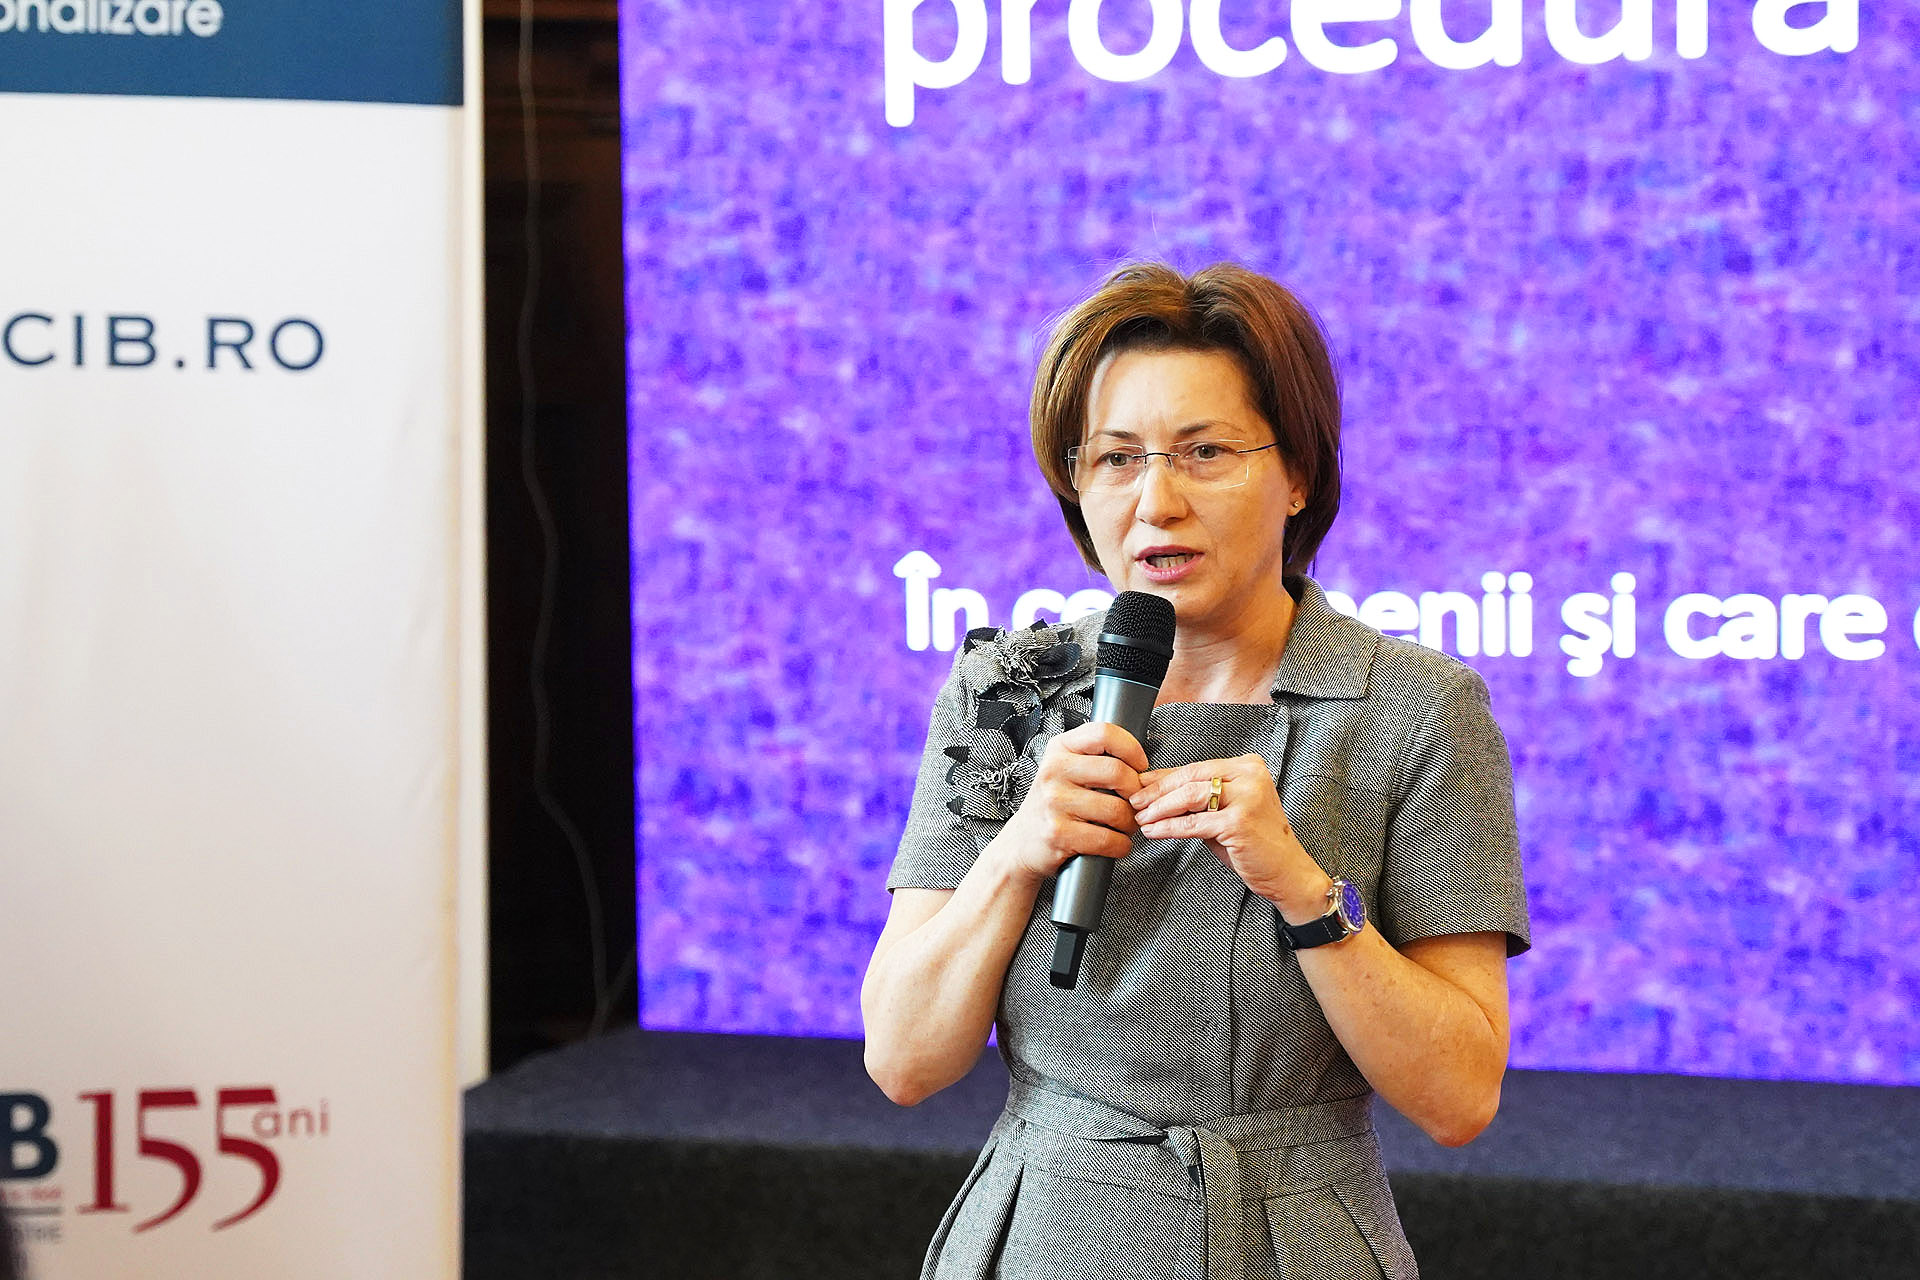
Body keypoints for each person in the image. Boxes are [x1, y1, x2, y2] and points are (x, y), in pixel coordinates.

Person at [861, 261, 1531, 1280]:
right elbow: (905, 1061)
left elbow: (1461, 1097)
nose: (1155, 502)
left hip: (1294, 1238)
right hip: (1047, 1234)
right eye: (1114, 459)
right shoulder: (1007, 691)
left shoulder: (1416, 709)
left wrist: (1302, 890)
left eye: (1204, 452)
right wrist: (1018, 852)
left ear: (1298, 473)